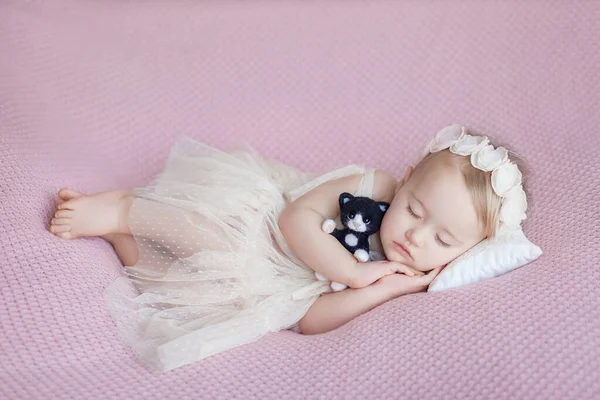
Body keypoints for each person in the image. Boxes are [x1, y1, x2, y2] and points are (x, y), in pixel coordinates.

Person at [48, 124, 529, 371]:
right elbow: (294, 220)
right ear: (403, 182)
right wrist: (358, 273)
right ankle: (124, 210)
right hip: (264, 226)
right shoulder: (372, 183)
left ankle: (122, 238)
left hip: (274, 286)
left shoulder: (405, 277)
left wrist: (383, 290)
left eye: (443, 240)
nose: (415, 237)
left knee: (198, 297)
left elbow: (310, 320)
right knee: (215, 239)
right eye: (415, 210)